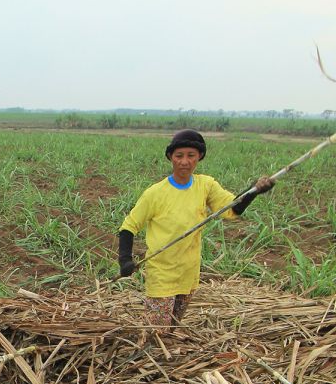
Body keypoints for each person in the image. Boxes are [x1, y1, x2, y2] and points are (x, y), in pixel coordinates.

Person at [117, 129, 274, 329]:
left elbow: (231, 209)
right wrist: (125, 259)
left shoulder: (205, 186)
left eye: (191, 155)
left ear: (199, 157)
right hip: (162, 273)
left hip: (189, 272)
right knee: (156, 331)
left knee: (173, 325)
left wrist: (254, 191)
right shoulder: (155, 194)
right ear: (170, 158)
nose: (184, 161)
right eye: (179, 156)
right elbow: (128, 227)